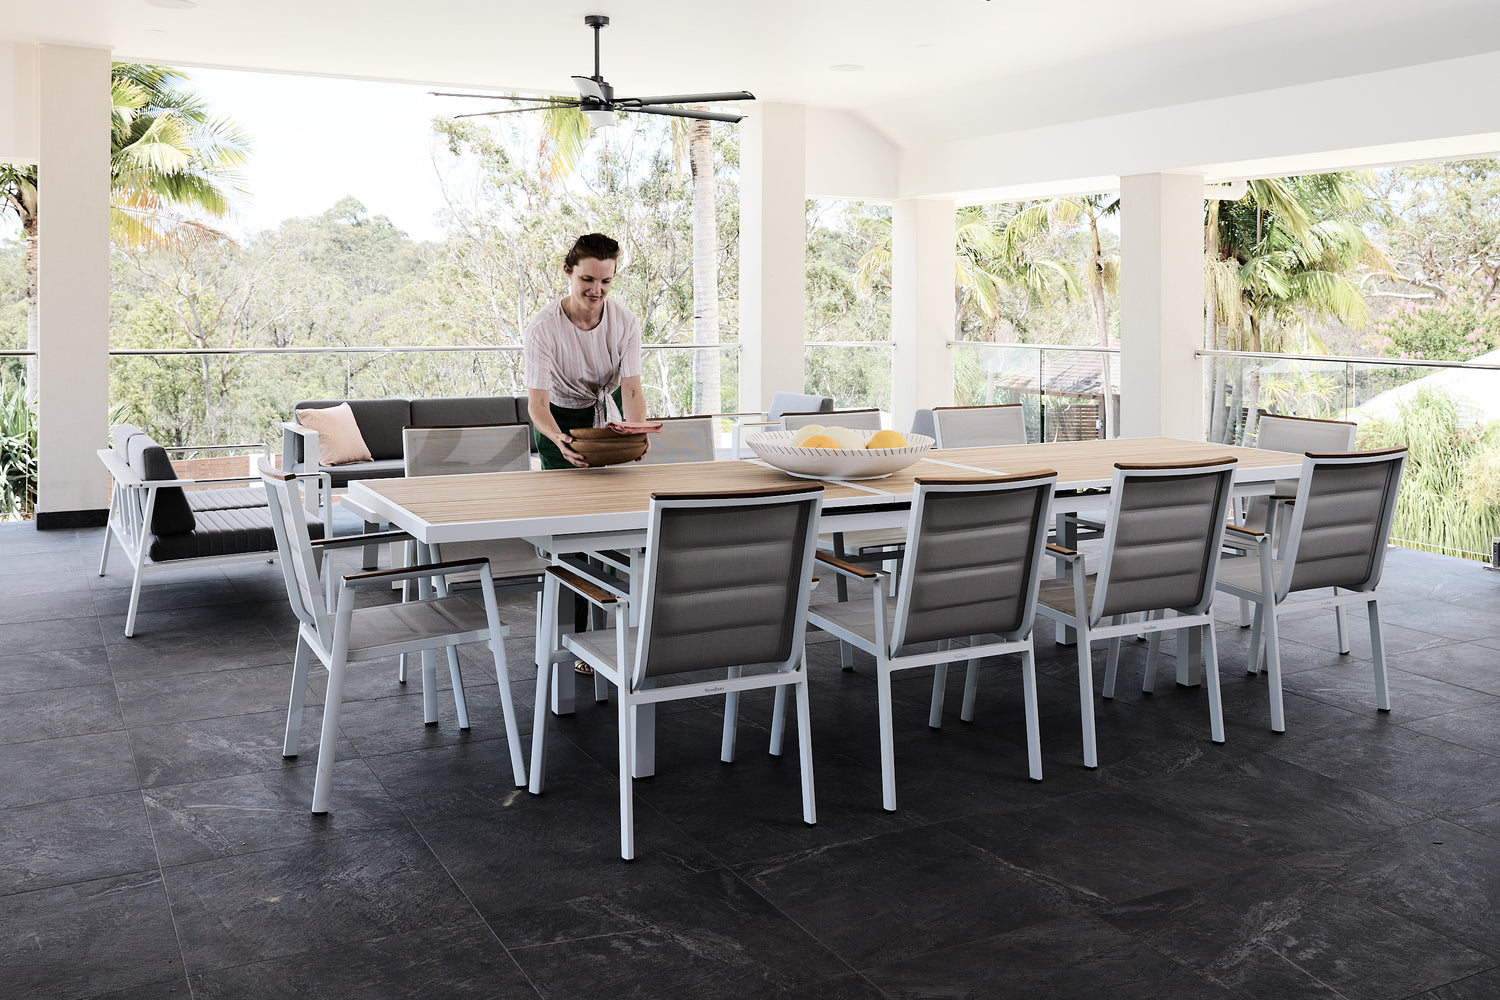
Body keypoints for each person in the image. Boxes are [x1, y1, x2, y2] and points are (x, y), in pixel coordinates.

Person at [524, 233, 649, 470]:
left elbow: (632, 391)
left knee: (612, 497)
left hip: (610, 414)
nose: (596, 290)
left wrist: (637, 431)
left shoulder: (626, 322)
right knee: (563, 500)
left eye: (606, 281)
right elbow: (538, 403)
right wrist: (558, 439)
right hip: (559, 422)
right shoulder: (542, 329)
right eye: (587, 279)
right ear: (568, 271)